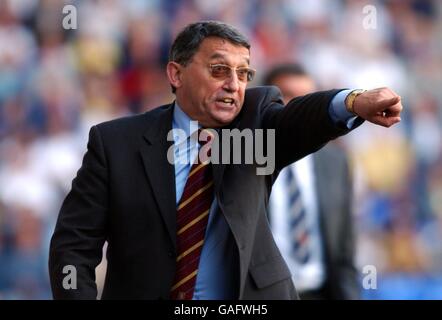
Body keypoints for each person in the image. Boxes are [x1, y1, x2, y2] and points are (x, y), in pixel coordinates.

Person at [49, 21, 402, 300]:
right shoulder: (115, 143)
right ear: (176, 74)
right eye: (219, 70)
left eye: (244, 73)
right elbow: (73, 246)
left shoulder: (257, 122)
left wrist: (353, 102)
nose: (234, 84)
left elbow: (300, 119)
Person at [264, 63, 360, 299]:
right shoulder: (243, 156)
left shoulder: (336, 162)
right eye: (287, 95)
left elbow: (344, 246)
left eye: (308, 98)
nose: (299, 106)